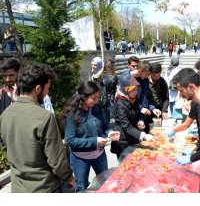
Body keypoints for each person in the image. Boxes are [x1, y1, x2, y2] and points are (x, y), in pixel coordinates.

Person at [0, 63, 75, 192]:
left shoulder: (5, 114)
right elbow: (56, 161)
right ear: (38, 88)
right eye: (48, 88)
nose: (47, 93)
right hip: (45, 188)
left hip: (18, 188)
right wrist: (69, 177)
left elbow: (6, 145)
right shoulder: (44, 117)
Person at [61, 81, 120, 192]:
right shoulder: (73, 114)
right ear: (83, 97)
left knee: (104, 183)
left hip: (99, 156)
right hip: (80, 159)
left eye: (97, 97)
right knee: (81, 187)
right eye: (94, 98)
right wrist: (95, 141)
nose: (97, 101)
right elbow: (70, 140)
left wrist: (109, 132)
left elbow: (104, 127)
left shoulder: (96, 109)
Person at [111, 73, 154, 159]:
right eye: (133, 90)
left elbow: (137, 112)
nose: (136, 92)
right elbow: (127, 127)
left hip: (133, 136)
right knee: (124, 164)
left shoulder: (134, 98)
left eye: (136, 89)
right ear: (125, 89)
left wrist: (140, 121)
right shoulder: (120, 104)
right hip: (122, 139)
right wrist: (144, 135)